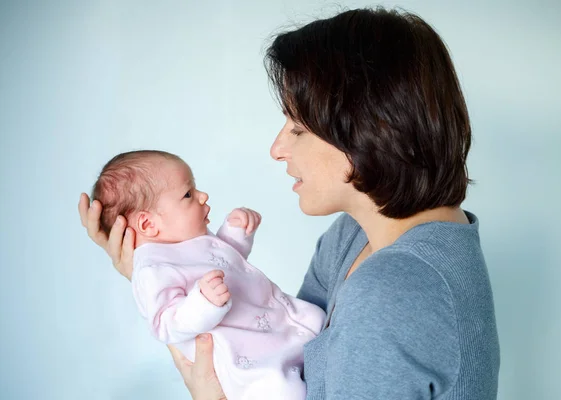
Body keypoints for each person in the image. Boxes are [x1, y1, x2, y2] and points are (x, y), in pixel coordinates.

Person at [79, 7, 500, 400]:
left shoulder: (391, 290)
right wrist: (155, 267)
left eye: (297, 128)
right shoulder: (354, 235)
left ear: (373, 128)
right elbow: (281, 345)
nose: (277, 148)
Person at [89, 150, 325, 400]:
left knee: (315, 319)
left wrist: (236, 233)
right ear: (148, 224)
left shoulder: (191, 240)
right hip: (246, 361)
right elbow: (165, 323)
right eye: (188, 194)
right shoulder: (152, 269)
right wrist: (203, 302)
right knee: (278, 389)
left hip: (273, 325)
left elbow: (225, 262)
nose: (203, 196)